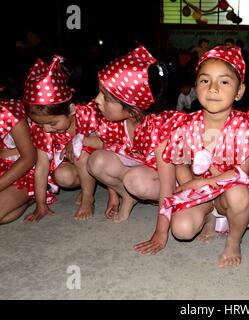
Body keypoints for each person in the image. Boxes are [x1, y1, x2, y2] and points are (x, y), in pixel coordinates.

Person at [159, 46, 249, 267]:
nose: (213, 89)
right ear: (195, 86)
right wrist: (191, 183)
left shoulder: (245, 126)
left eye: (224, 82)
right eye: (205, 81)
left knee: (239, 194)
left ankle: (233, 241)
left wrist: (204, 181)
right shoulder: (187, 123)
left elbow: (241, 171)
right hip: (201, 190)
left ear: (239, 92)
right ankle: (208, 216)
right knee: (181, 230)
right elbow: (179, 161)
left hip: (228, 188)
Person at [87, 46, 181, 254]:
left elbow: (167, 185)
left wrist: (161, 231)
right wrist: (113, 195)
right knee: (96, 161)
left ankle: (133, 191)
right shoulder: (113, 121)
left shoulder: (159, 129)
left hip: (166, 181)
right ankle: (127, 196)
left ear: (133, 108)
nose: (96, 100)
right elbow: (112, 150)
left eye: (106, 97)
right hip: (136, 168)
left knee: (135, 180)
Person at [23, 55, 103, 222]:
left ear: (72, 109)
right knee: (63, 176)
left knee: (80, 151)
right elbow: (42, 167)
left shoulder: (88, 114)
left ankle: (89, 198)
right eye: (40, 124)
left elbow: (110, 143)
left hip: (101, 164)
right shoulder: (43, 129)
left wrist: (78, 140)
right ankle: (85, 185)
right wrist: (41, 203)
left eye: (52, 123)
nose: (46, 129)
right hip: (73, 166)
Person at [0, 97, 37, 224]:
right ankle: (26, 200)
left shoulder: (8, 111)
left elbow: (30, 158)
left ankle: (35, 193)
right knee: (4, 217)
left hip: (30, 169)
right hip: (4, 165)